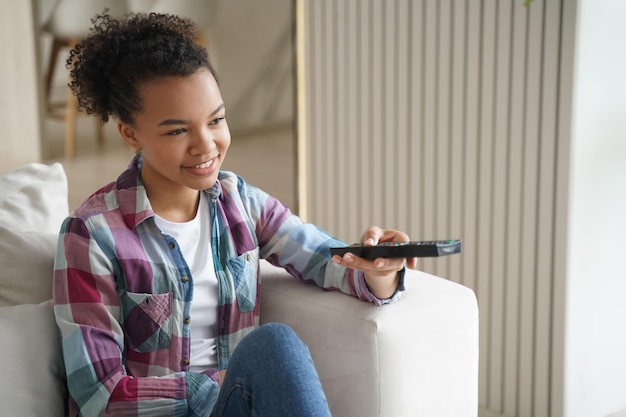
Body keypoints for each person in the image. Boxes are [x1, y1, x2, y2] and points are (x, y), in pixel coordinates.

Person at [52, 11, 417, 417]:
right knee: (270, 348)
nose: (205, 145)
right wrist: (226, 382)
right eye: (177, 131)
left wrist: (378, 270)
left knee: (272, 345)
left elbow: (326, 259)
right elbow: (98, 397)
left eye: (216, 120)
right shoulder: (91, 234)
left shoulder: (239, 202)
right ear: (131, 133)